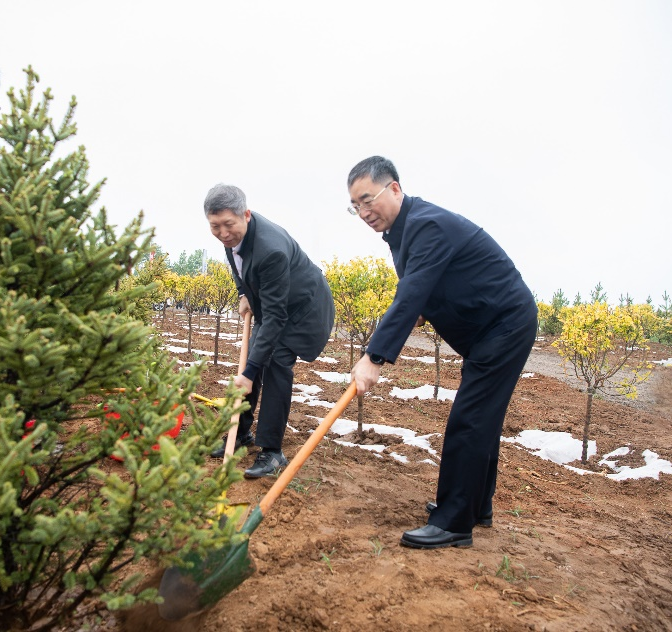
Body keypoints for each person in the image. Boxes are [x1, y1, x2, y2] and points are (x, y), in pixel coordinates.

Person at [346, 156, 537, 549]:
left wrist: (374, 357)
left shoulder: (426, 225)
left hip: (504, 324)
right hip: (490, 329)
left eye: (368, 200)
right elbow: (426, 289)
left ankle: (453, 522)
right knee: (481, 419)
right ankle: (474, 506)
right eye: (356, 206)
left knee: (470, 418)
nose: (364, 212)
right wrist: (419, 312)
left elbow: (411, 292)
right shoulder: (404, 232)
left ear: (394, 188)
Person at [205, 184, 335, 478]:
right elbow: (239, 268)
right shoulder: (233, 238)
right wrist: (243, 293)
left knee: (274, 361)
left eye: (228, 225)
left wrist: (249, 373)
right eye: (215, 227)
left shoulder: (270, 249)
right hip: (274, 304)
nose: (223, 233)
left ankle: (272, 451)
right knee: (255, 357)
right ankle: (239, 434)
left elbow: (276, 317)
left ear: (246, 215)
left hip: (303, 310)